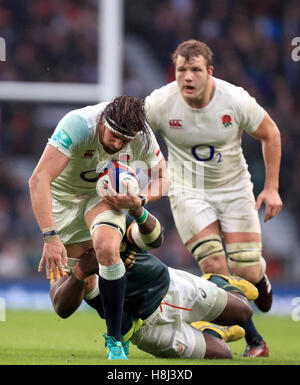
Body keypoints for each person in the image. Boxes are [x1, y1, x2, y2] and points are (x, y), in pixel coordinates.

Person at [145, 39, 283, 357]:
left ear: (210, 72)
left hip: (234, 189)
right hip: (187, 191)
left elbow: (271, 134)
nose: (187, 77)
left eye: (195, 70)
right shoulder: (160, 103)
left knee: (245, 272)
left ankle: (259, 278)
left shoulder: (234, 100)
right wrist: (148, 169)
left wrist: (272, 187)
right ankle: (254, 340)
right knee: (214, 266)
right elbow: (133, 130)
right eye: (181, 70)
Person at [28, 95, 169, 360]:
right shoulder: (78, 125)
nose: (117, 145)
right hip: (62, 200)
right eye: (114, 135)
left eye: (124, 141)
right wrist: (50, 238)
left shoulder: (142, 135)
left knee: (105, 246)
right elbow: (38, 180)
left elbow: (163, 177)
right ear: (103, 120)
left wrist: (140, 200)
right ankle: (123, 322)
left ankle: (115, 340)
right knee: (65, 302)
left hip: (101, 195)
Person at [49, 204, 257, 359]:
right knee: (224, 354)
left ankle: (216, 281)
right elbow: (60, 306)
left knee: (244, 311)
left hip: (167, 286)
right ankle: (213, 331)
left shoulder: (109, 216)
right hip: (148, 329)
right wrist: (81, 271)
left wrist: (138, 210)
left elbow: (154, 240)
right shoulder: (61, 250)